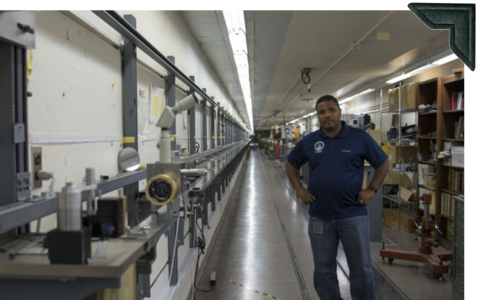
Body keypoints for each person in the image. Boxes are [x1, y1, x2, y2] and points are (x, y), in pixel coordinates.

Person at [285, 95, 390, 300]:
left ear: (339, 112)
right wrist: (299, 189)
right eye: (322, 112)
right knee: (323, 271)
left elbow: (383, 163)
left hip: (353, 215)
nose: (327, 115)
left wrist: (372, 189)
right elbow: (290, 165)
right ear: (317, 116)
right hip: (319, 217)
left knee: (361, 269)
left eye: (331, 110)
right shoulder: (310, 141)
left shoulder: (359, 138)